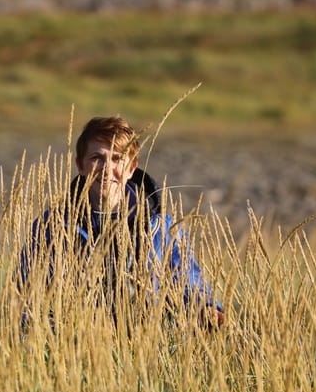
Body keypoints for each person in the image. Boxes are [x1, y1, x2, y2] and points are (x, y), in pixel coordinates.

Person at [18, 115, 223, 331]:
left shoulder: (160, 227)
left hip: (148, 343)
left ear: (132, 167)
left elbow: (189, 282)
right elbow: (24, 295)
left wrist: (206, 309)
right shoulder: (54, 226)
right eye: (97, 157)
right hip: (76, 343)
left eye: (117, 158)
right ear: (80, 165)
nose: (107, 168)